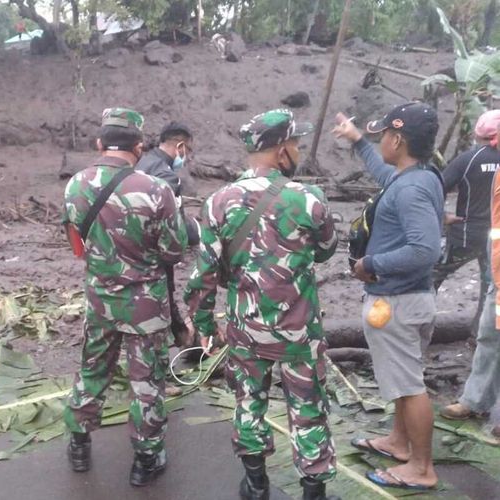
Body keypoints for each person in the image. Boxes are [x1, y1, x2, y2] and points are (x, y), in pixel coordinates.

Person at [184, 109, 339, 500]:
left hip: (245, 329)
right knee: (307, 408)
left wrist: (204, 325)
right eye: (296, 144)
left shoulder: (218, 202)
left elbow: (203, 274)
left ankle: (255, 484)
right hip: (299, 332)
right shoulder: (308, 198)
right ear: (281, 149)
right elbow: (325, 251)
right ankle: (313, 492)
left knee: (248, 401)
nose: (298, 150)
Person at [62, 108, 188, 486]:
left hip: (99, 299)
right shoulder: (156, 189)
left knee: (92, 370)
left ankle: (80, 445)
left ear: (99, 144)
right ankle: (146, 461)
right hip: (146, 306)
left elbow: (76, 247)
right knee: (146, 381)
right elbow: (174, 251)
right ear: (138, 146)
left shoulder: (74, 185)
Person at [333, 102, 444, 491]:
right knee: (401, 380)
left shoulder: (411, 189)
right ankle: (399, 443)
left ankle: (421, 467)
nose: (380, 140)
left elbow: (425, 250)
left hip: (397, 302)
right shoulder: (416, 175)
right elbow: (386, 176)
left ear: (398, 139)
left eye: (382, 136)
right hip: (406, 298)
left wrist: (371, 264)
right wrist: (358, 140)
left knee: (410, 386)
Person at [433, 110, 500, 340]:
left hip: (466, 236)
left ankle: (417, 328)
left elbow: (435, 188)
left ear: (479, 133)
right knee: (490, 285)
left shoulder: (469, 158)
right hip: (496, 240)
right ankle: (480, 336)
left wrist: (442, 216)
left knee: (432, 275)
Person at [136, 122, 200, 348]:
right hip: (155, 249)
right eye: (188, 151)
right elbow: (174, 225)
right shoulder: (166, 175)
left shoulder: (141, 161)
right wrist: (193, 233)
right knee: (164, 293)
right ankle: (180, 339)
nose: (187, 156)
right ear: (180, 146)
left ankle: (179, 335)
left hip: (128, 247)